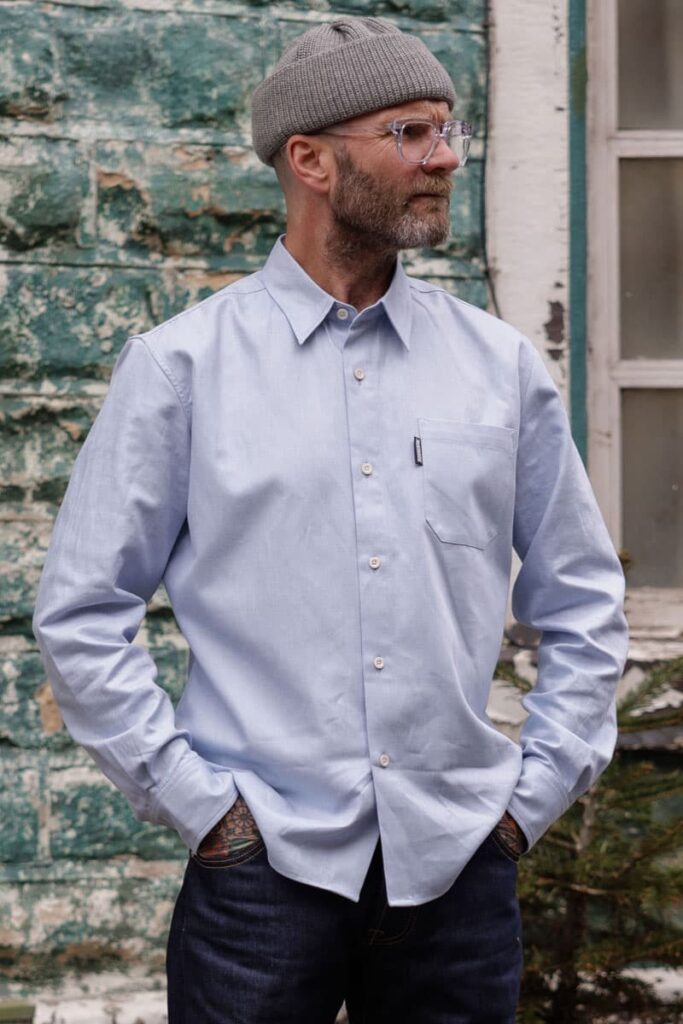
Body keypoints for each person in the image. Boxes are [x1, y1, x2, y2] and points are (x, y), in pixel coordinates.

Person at [33, 16, 629, 1024]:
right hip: (258, 878)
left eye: (448, 129)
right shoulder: (182, 370)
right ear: (309, 159)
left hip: (457, 873)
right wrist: (204, 810)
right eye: (408, 132)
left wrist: (524, 806)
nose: (444, 157)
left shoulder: (496, 368)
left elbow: (582, 597)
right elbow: (82, 616)